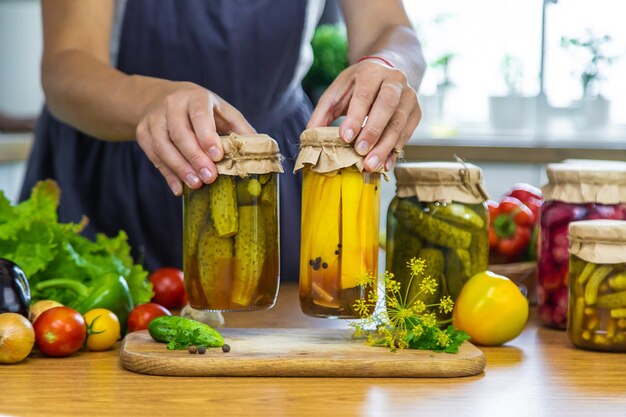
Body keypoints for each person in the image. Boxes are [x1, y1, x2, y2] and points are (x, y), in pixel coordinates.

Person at [21, 0, 425, 282]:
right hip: (107, 174)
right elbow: (65, 64)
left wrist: (390, 64)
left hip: (267, 179)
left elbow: (390, 27)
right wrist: (150, 101)